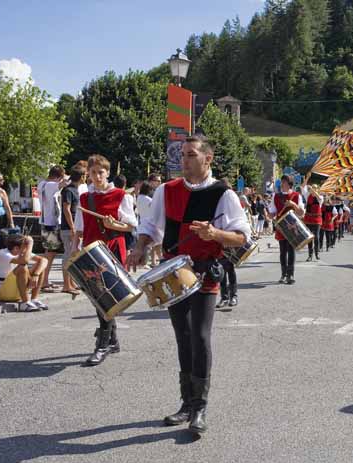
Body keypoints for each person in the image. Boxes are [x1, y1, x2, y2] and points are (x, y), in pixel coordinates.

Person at [129, 135, 250, 434]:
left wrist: (216, 235)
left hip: (206, 272)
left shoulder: (224, 194)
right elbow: (151, 226)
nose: (184, 160)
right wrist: (141, 246)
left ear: (207, 159)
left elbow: (243, 237)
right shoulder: (167, 191)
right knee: (182, 336)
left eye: (191, 155)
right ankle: (186, 403)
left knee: (200, 336)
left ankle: (200, 408)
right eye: (182, 155)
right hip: (173, 273)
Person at [74, 155, 137, 366]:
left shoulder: (121, 196)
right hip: (91, 251)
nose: (97, 176)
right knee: (97, 297)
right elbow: (80, 229)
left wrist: (114, 225)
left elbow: (130, 226)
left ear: (107, 173)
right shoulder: (84, 199)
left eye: (101, 172)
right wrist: (75, 250)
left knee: (106, 297)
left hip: (111, 249)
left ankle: (103, 344)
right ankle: (112, 340)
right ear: (88, 175)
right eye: (93, 173)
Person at [0, 235, 49, 311]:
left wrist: (36, 275)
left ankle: (34, 300)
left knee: (40, 267)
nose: (27, 249)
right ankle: (25, 303)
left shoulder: (20, 252)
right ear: (16, 248)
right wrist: (30, 244)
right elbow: (24, 261)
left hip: (17, 291)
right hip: (4, 293)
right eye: (25, 246)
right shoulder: (3, 253)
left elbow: (44, 260)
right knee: (22, 267)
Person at [269, 175, 305, 284]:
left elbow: (301, 213)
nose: (282, 184)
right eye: (281, 182)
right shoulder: (276, 196)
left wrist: (293, 204)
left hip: (292, 226)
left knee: (291, 251)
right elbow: (273, 212)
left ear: (289, 184)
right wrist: (270, 215)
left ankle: (291, 275)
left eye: (284, 182)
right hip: (281, 227)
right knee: (282, 252)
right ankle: (283, 274)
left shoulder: (296, 195)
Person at [39, 166, 65, 292]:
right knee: (49, 254)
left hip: (46, 221)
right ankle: (43, 282)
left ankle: (45, 280)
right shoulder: (50, 185)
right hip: (50, 222)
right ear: (58, 177)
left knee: (49, 253)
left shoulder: (42, 184)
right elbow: (64, 184)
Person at [60, 164, 83, 296]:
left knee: (74, 255)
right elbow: (66, 209)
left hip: (74, 226)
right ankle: (66, 285)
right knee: (68, 255)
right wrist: (73, 227)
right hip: (68, 228)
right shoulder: (68, 190)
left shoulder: (75, 190)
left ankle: (71, 282)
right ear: (81, 177)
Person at [302, 184, 322, 261]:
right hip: (308, 219)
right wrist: (307, 178)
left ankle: (317, 253)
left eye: (315, 188)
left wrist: (313, 190)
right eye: (312, 188)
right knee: (309, 237)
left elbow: (319, 198)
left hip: (317, 220)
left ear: (317, 189)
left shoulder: (320, 197)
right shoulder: (308, 196)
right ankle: (310, 255)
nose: (313, 189)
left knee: (316, 236)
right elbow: (303, 188)